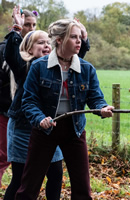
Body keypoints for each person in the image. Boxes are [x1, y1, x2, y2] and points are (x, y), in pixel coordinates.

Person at [15, 18, 114, 199]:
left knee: (82, 188)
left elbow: (95, 97)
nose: (79, 41)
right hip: (44, 129)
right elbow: (28, 101)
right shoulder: (38, 67)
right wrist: (39, 119)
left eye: (80, 37)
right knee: (29, 186)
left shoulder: (87, 68)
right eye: (73, 37)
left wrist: (102, 108)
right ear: (59, 39)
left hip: (74, 130)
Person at [3, 6, 91, 200]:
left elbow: (77, 58)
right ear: (28, 49)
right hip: (25, 128)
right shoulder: (26, 66)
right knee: (21, 178)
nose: (45, 46)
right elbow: (10, 54)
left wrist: (82, 39)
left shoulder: (59, 65)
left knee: (55, 174)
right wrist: (17, 29)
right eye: (39, 43)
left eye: (47, 42)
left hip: (49, 128)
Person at [0, 6, 38, 188]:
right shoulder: (5, 49)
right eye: (27, 25)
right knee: (3, 157)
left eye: (34, 25)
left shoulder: (37, 53)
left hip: (29, 115)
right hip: (5, 111)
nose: (30, 29)